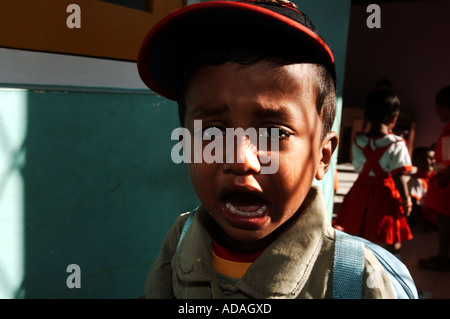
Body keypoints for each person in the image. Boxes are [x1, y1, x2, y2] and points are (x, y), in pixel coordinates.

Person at [137, 0, 408, 298]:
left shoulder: (355, 278)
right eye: (213, 132)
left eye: (273, 132)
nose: (240, 160)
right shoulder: (179, 239)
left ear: (322, 155)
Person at [333, 89, 413, 254]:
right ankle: (391, 270)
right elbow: (398, 177)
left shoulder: (359, 140)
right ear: (394, 117)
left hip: (360, 191)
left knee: (359, 230)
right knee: (391, 238)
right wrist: (407, 200)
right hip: (385, 194)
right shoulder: (397, 144)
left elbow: (357, 167)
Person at [420, 86, 450, 271]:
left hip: (446, 184)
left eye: (440, 106)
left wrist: (441, 182)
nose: (437, 111)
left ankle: (442, 258)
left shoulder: (449, 132)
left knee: (445, 220)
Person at [408, 146, 436, 227]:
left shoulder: (434, 178)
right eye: (423, 159)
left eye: (432, 158)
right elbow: (414, 204)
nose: (428, 161)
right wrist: (420, 222)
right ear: (415, 162)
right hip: (428, 217)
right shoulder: (416, 181)